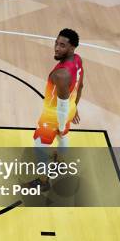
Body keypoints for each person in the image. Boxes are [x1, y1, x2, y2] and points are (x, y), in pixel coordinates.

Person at [30, 29, 84, 190]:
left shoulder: (61, 74)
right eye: (56, 43)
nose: (57, 48)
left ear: (72, 48)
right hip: (69, 108)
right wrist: (74, 108)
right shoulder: (78, 60)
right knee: (63, 137)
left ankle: (43, 181)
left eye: (62, 45)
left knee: (39, 146)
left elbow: (61, 106)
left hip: (54, 115)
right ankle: (60, 163)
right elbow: (80, 86)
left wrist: (60, 125)